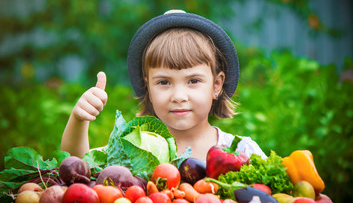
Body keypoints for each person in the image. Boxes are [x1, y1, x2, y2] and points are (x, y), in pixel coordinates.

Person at [61, 10, 267, 162]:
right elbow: (76, 169)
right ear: (148, 87)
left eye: (193, 81)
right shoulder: (133, 148)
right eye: (164, 82)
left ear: (216, 85)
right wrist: (79, 119)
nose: (178, 96)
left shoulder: (242, 151)